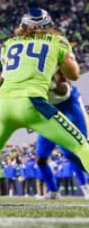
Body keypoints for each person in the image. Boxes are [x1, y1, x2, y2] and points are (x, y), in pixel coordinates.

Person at [0, 8, 89, 201]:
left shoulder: (9, 44)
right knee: (80, 145)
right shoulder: (57, 41)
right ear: (48, 26)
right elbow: (74, 75)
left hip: (3, 105)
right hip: (33, 103)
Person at [36, 70, 89, 199]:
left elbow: (64, 89)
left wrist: (50, 84)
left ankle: (85, 187)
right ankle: (53, 191)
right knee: (41, 159)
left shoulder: (53, 61)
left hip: (67, 106)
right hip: (49, 113)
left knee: (73, 153)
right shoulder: (25, 67)